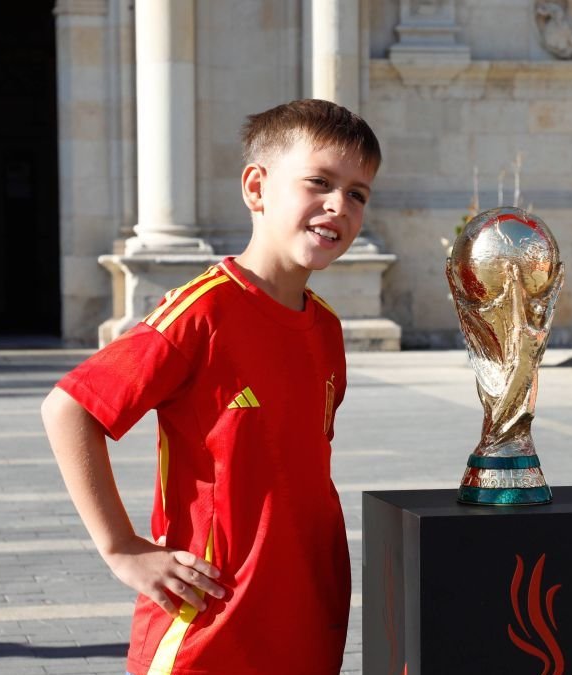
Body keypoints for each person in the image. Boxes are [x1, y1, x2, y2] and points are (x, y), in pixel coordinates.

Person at [40, 98, 380, 674]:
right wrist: (122, 548)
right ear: (257, 188)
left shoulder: (325, 328)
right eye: (319, 182)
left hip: (306, 622)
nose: (338, 205)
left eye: (358, 194)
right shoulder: (203, 312)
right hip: (207, 630)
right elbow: (69, 408)